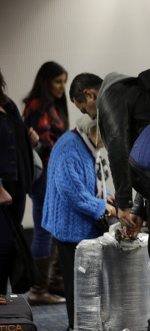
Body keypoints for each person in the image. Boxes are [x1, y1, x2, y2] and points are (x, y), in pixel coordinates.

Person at [69, 72, 150, 331]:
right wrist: (139, 208)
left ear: (89, 95)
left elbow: (118, 149)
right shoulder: (132, 90)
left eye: (86, 110)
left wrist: (124, 204)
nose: (92, 117)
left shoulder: (110, 97)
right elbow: (148, 161)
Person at [41, 115, 116, 331]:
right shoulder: (70, 146)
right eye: (107, 136)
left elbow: (91, 180)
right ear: (96, 131)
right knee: (78, 288)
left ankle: (86, 325)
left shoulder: (86, 142)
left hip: (81, 226)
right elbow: (72, 191)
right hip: (71, 227)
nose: (108, 142)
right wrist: (101, 206)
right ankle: (77, 327)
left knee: (88, 285)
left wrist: (106, 195)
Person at [23, 61, 69, 304]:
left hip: (52, 174)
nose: (62, 86)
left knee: (51, 228)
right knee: (43, 231)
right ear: (46, 82)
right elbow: (39, 144)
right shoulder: (38, 106)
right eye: (58, 81)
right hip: (42, 176)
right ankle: (38, 290)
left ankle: (51, 283)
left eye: (64, 81)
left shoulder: (50, 105)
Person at [0, 69, 39, 295]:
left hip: (18, 183)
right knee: (3, 245)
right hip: (2, 185)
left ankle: (5, 302)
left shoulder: (8, 104)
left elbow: (15, 135)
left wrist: (28, 137)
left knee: (12, 245)